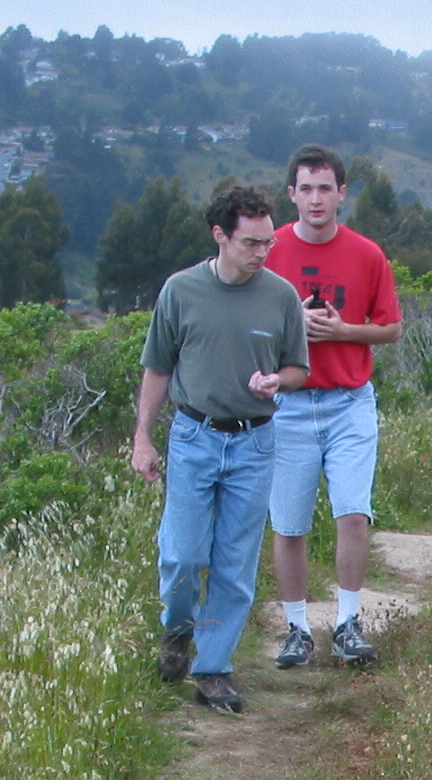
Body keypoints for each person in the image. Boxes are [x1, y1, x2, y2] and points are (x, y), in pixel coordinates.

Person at [131, 182, 310, 714]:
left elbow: (299, 368)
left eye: (268, 243)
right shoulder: (180, 291)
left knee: (234, 563)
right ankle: (176, 631)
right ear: (220, 236)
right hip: (193, 436)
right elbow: (158, 366)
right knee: (183, 553)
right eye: (251, 243)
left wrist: (278, 381)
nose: (262, 252)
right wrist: (143, 436)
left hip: (254, 442)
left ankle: (213, 668)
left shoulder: (280, 296)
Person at [263, 144, 404, 668]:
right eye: (306, 189)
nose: (316, 199)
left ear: (342, 193)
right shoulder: (269, 250)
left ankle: (348, 622)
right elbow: (248, 327)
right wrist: (292, 325)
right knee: (290, 524)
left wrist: (343, 330)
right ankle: (296, 628)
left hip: (348, 401)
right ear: (291, 194)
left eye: (326, 188)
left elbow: (390, 327)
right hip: (290, 404)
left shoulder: (367, 254)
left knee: (352, 513)